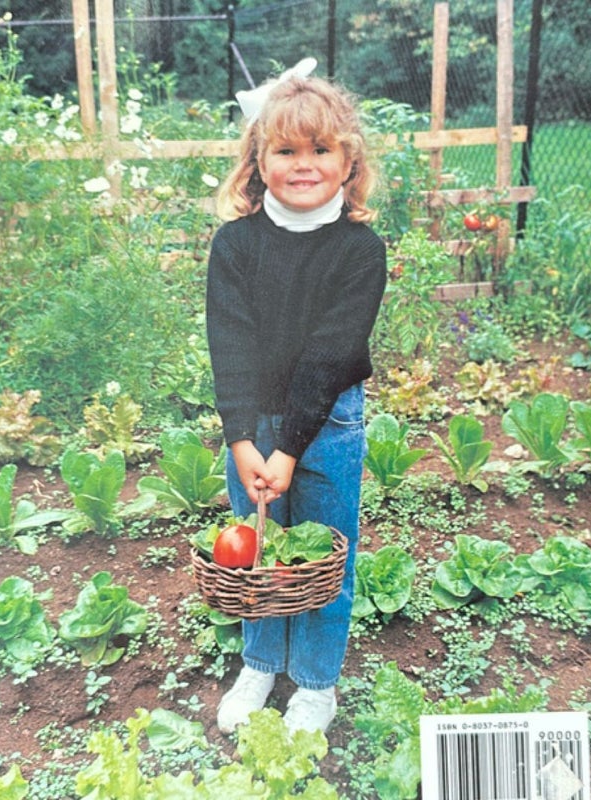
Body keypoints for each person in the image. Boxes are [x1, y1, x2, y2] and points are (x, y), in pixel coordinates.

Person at [205, 63, 386, 736]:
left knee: (324, 555)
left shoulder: (359, 251)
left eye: (320, 150)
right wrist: (245, 438)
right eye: (285, 150)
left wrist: (288, 449)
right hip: (252, 427)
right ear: (258, 160)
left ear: (348, 162)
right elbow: (231, 342)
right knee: (256, 550)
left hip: (328, 423)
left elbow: (331, 352)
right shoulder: (236, 245)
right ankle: (259, 662)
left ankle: (314, 681)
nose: (303, 164)